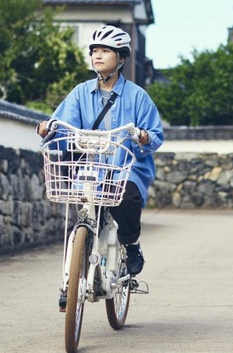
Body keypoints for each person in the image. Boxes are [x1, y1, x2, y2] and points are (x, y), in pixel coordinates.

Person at [37, 24, 163, 285]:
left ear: (122, 58)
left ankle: (131, 244)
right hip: (90, 167)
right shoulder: (80, 92)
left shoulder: (138, 96)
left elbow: (155, 135)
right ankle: (72, 281)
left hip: (125, 167)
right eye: (94, 50)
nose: (98, 55)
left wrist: (143, 136)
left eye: (106, 50)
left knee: (127, 196)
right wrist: (47, 128)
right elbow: (60, 125)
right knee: (80, 213)